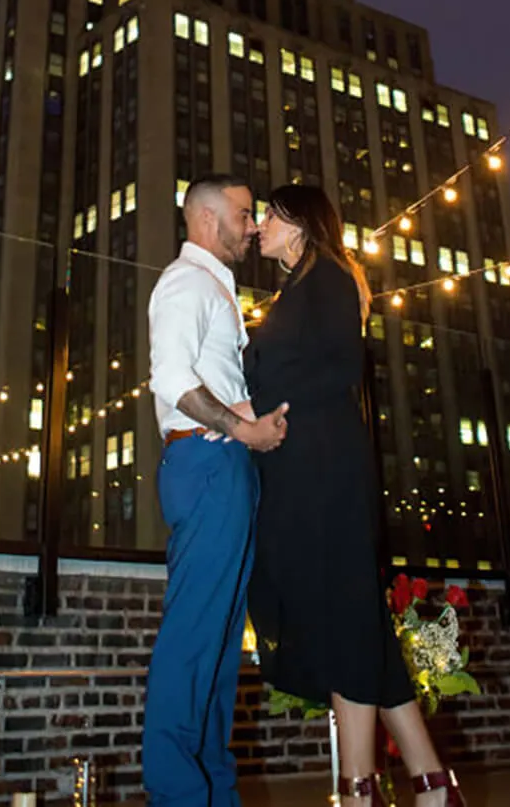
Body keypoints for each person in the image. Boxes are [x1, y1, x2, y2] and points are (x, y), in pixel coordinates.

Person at [246, 183, 463, 807]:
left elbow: (340, 367)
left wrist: (261, 401)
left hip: (322, 469)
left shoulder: (330, 279)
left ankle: (360, 789)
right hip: (299, 465)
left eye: (270, 216)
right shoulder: (294, 288)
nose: (260, 226)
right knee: (352, 616)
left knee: (339, 612)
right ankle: (430, 782)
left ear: (302, 223)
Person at [142, 174, 290, 807]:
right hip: (205, 462)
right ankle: (179, 795)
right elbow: (171, 379)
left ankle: (213, 794)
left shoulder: (217, 291)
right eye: (244, 213)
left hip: (223, 467)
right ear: (206, 219)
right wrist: (243, 429)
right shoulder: (185, 283)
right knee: (195, 639)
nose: (253, 225)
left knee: (222, 647)